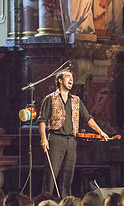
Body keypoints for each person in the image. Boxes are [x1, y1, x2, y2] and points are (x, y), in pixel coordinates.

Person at [38, 70, 108, 198]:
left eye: (72, 77)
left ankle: (66, 199)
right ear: (60, 80)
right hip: (56, 138)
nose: (71, 80)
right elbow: (42, 120)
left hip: (71, 140)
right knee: (51, 172)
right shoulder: (51, 98)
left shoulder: (76, 100)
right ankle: (45, 199)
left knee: (68, 172)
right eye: (68, 77)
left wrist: (101, 132)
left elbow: (88, 118)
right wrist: (44, 138)